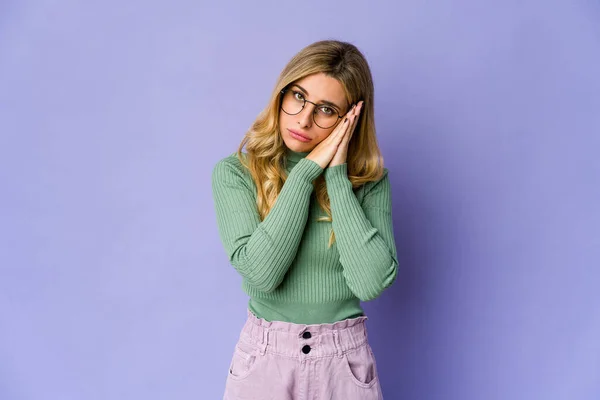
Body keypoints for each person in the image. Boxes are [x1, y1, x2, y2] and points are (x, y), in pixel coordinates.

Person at [212, 39, 398, 400]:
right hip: (265, 362)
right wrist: (305, 174)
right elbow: (262, 274)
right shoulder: (236, 173)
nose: (304, 119)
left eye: (326, 109)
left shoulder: (370, 183)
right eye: (298, 96)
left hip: (344, 363)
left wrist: (336, 177)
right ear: (281, 93)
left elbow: (371, 283)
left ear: (350, 119)